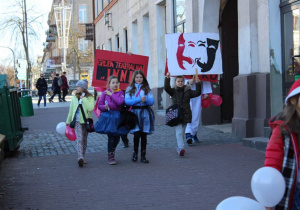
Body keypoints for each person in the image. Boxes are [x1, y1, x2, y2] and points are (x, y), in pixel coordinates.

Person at [264, 78, 300, 209]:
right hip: (293, 190)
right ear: (293, 100)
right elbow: (273, 162)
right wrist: (268, 195)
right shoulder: (283, 128)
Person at [164, 72, 201, 156]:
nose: (180, 83)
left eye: (181, 81)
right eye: (178, 81)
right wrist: (167, 78)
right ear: (175, 82)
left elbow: (197, 93)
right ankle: (181, 147)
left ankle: (179, 147)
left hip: (185, 114)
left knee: (182, 131)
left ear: (184, 82)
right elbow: (166, 88)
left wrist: (198, 83)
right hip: (176, 115)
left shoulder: (188, 91)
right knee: (179, 132)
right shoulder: (173, 91)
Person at [125, 70, 155, 163]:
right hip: (135, 113)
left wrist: (145, 100)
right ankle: (135, 152)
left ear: (143, 78)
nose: (139, 79)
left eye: (141, 77)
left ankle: (143, 155)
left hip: (145, 112)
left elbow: (152, 101)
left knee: (144, 134)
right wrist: (138, 99)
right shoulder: (130, 88)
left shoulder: (146, 88)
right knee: (137, 133)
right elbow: (127, 101)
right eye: (137, 77)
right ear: (134, 78)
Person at [96, 75, 125, 165]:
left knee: (117, 137)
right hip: (108, 117)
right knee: (111, 137)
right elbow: (99, 105)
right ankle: (110, 156)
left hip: (117, 116)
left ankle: (112, 151)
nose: (115, 84)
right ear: (109, 84)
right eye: (113, 83)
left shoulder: (120, 92)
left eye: (116, 82)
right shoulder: (105, 93)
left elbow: (120, 102)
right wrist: (104, 107)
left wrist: (112, 95)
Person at [66, 79, 94, 167]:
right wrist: (68, 121)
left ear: (83, 88)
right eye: (77, 86)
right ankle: (80, 157)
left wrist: (84, 99)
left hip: (86, 121)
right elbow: (71, 110)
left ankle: (83, 156)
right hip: (77, 121)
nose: (77, 88)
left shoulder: (90, 97)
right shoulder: (74, 97)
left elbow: (90, 108)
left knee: (84, 139)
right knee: (80, 138)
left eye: (79, 86)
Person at [185, 80, 212, 145]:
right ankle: (188, 133)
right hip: (186, 92)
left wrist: (206, 92)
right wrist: (187, 82)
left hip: (198, 91)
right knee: (189, 112)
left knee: (196, 113)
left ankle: (193, 133)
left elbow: (205, 76)